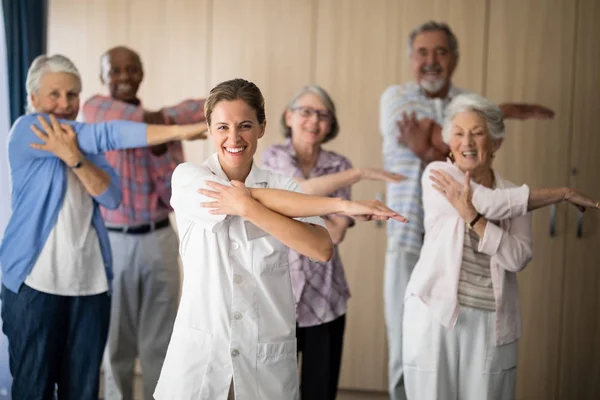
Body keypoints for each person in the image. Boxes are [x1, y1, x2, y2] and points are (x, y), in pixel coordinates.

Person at [153, 78, 407, 400]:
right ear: (208, 128)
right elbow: (238, 200)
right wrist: (340, 204)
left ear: (261, 127)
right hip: (202, 362)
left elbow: (321, 247)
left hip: (264, 362)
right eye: (222, 127)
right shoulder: (188, 178)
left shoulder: (283, 186)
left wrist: (246, 205)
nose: (234, 137)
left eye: (245, 125)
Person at [0, 54, 206, 400]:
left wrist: (75, 159)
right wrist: (182, 129)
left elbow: (111, 197)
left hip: (90, 284)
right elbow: (108, 134)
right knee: (33, 387)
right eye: (54, 94)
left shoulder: (87, 148)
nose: (64, 104)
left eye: (71, 95)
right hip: (34, 284)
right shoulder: (26, 131)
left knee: (82, 389)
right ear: (33, 99)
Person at [380, 21, 556, 400]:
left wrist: (446, 142)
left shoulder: (468, 102)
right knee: (407, 346)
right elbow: (442, 153)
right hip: (409, 233)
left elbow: (445, 147)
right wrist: (450, 144)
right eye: (422, 53)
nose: (431, 61)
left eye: (440, 52)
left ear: (454, 59)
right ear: (411, 59)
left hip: (463, 235)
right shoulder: (397, 97)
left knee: (463, 351)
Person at [402, 93, 599, 400]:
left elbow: (517, 257)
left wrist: (474, 219)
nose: (467, 142)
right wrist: (561, 192)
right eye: (458, 133)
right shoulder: (438, 175)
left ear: (496, 143)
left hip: (490, 317)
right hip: (434, 311)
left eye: (478, 133)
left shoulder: (513, 194)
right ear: (449, 142)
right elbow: (490, 203)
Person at [262, 85, 403, 400]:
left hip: (326, 296)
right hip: (277, 292)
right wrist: (358, 176)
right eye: (306, 112)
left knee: (320, 391)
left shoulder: (338, 163)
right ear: (289, 116)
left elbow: (334, 234)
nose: (314, 121)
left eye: (322, 114)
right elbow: (296, 191)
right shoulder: (274, 156)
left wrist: (290, 212)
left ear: (330, 123)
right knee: (273, 390)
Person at [82, 46, 207, 400]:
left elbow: (173, 197)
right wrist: (165, 122)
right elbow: (96, 109)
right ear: (103, 77)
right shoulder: (98, 112)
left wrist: (160, 139)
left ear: (142, 73)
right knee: (116, 342)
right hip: (113, 242)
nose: (124, 77)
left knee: (161, 339)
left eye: (131, 69)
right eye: (115, 70)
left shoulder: (163, 130)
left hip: (159, 238)